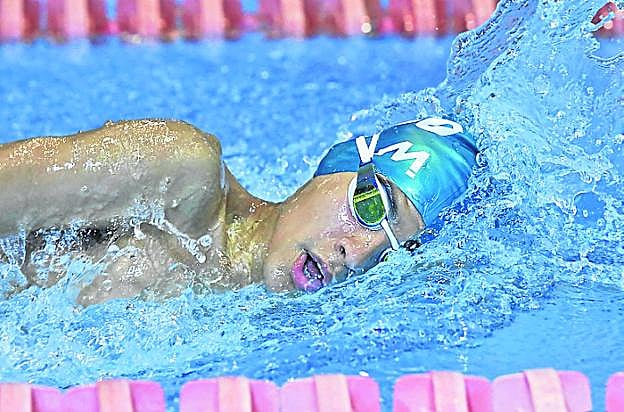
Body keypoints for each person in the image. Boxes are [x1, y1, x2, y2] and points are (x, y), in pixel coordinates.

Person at [0, 117, 477, 305]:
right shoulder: (179, 173)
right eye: (371, 206)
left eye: (388, 254)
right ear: (338, 167)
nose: (356, 254)